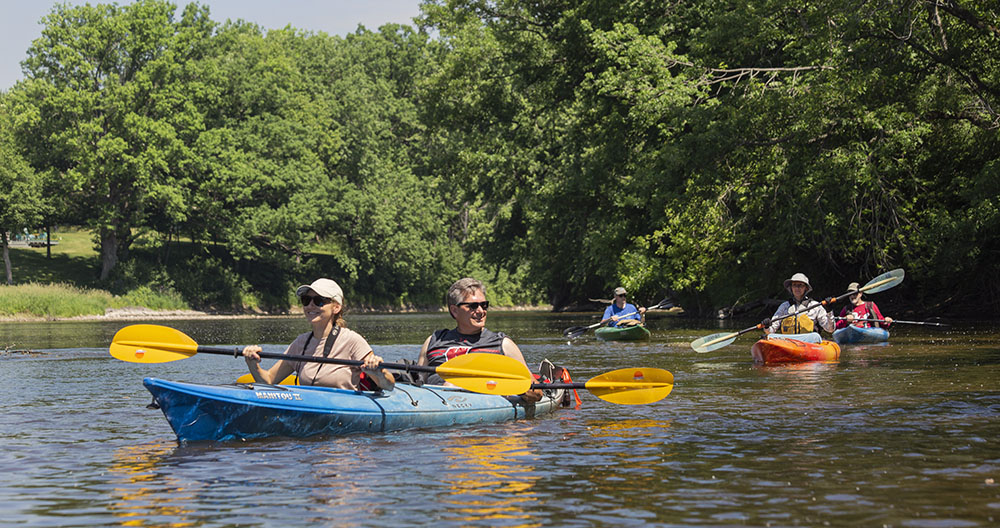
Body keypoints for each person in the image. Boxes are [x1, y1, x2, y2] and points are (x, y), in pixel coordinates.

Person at [243, 278, 394, 391]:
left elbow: (389, 385)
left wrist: (377, 372)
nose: (310, 305)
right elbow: (269, 381)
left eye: (319, 301)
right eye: (306, 300)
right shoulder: (300, 343)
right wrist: (252, 363)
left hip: (345, 414)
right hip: (311, 409)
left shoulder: (352, 340)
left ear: (336, 307)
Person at [417, 277, 543, 403]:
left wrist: (517, 388)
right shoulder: (433, 341)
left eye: (484, 305)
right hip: (431, 401)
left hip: (479, 402)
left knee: (451, 386)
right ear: (454, 311)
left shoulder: (503, 344)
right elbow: (417, 383)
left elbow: (536, 392)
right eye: (473, 306)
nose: (481, 311)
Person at [764, 272, 836, 335]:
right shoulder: (784, 306)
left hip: (809, 343)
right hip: (788, 343)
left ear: (806, 288)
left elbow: (830, 329)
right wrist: (767, 326)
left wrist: (829, 311)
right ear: (791, 288)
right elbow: (770, 331)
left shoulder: (815, 306)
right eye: (794, 285)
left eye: (800, 285)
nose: (797, 288)